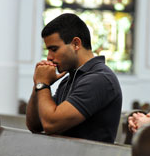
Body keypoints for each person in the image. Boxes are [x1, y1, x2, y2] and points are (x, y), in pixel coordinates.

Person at [26, 13, 122, 143]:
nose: (49, 57)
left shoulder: (99, 79)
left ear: (76, 44)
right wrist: (37, 84)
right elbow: (35, 125)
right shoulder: (68, 81)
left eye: (54, 49)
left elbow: (50, 124)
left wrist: (43, 84)